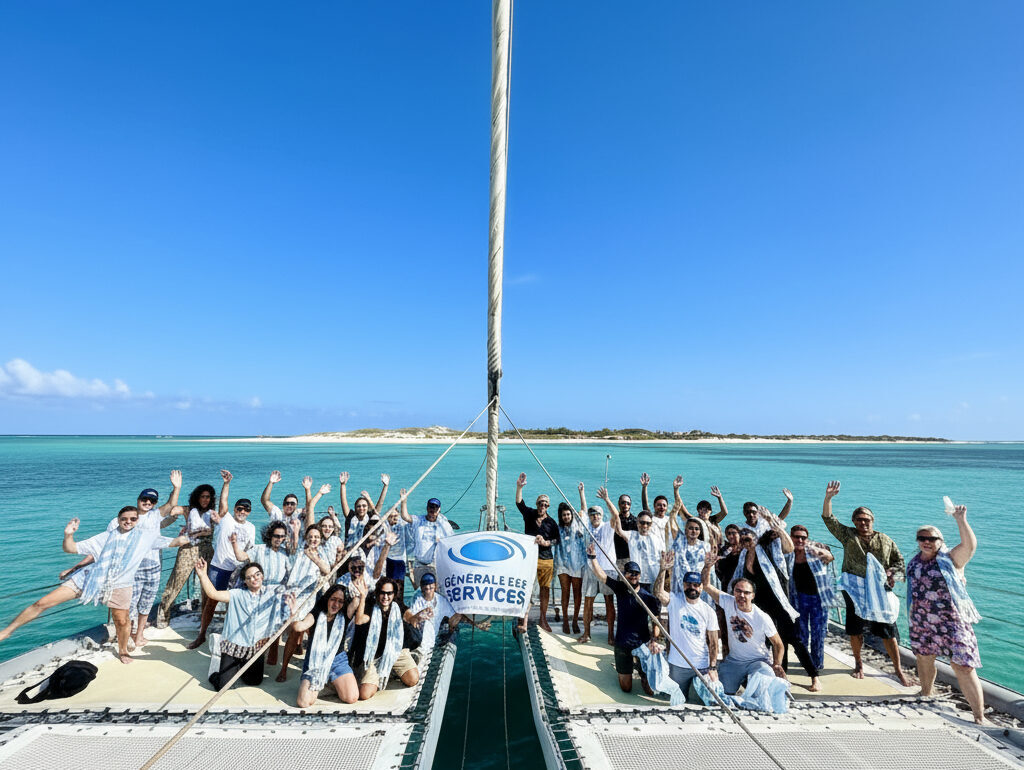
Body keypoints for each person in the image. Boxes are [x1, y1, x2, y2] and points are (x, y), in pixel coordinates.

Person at [0, 508, 189, 662]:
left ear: (137, 520)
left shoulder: (145, 538)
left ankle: (123, 650)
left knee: (122, 622)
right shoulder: (104, 537)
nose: (128, 522)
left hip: (121, 585)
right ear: (118, 519)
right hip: (90, 579)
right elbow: (71, 548)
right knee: (42, 603)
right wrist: (68, 535)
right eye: (124, 519)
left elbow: (175, 542)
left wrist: (191, 531)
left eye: (133, 519)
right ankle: (7, 631)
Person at [822, 480, 910, 685]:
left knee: (888, 629)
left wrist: (892, 573)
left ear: (873, 520)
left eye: (866, 519)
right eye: (859, 519)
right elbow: (828, 519)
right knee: (856, 629)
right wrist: (828, 498)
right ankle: (859, 663)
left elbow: (900, 562)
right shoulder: (848, 536)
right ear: (854, 521)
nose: (863, 523)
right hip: (855, 590)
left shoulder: (886, 540)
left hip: (880, 591)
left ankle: (898, 670)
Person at [908, 503, 985, 724]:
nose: (926, 541)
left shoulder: (951, 560)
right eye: (922, 537)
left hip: (952, 623)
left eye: (932, 538)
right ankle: (925, 694)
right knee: (924, 658)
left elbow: (969, 547)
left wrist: (960, 520)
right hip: (922, 621)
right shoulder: (914, 563)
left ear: (940, 541)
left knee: (963, 666)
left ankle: (979, 717)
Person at [730, 508, 821, 691]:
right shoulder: (742, 557)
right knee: (767, 643)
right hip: (760, 606)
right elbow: (740, 577)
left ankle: (814, 677)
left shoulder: (769, 547)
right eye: (744, 537)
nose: (747, 539)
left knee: (794, 640)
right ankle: (777, 678)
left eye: (750, 536)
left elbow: (788, 548)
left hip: (779, 601)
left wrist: (775, 523)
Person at [700, 545, 787, 695]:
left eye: (746, 593)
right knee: (720, 692)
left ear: (753, 596)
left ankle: (751, 681)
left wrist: (777, 664)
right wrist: (708, 566)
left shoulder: (762, 617)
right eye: (738, 591)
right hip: (734, 661)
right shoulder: (728, 602)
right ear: (733, 592)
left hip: (758, 661)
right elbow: (706, 586)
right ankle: (741, 680)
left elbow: (778, 644)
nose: (741, 596)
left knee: (762, 692)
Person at [187, 470, 258, 650]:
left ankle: (231, 634)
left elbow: (251, 551)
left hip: (238, 570)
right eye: (239, 508)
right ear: (235, 509)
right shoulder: (226, 519)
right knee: (211, 602)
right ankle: (201, 635)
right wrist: (226, 484)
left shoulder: (251, 528)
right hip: (219, 567)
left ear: (249, 512)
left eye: (246, 509)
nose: (242, 511)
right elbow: (224, 502)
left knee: (235, 604)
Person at [584, 542, 663, 694]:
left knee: (649, 690)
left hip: (642, 643)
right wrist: (593, 557)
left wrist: (654, 640)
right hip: (622, 643)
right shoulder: (620, 588)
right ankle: (626, 668)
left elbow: (656, 621)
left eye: (636, 574)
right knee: (626, 688)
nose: (633, 576)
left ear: (640, 575)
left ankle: (642, 671)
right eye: (630, 573)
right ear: (624, 574)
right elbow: (601, 575)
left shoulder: (648, 597)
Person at [195, 558, 281, 690]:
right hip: (233, 647)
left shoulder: (272, 593)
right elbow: (213, 594)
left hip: (254, 648)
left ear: (262, 575)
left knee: (254, 681)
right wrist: (202, 575)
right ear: (245, 582)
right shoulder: (237, 594)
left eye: (257, 574)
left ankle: (238, 668)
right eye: (249, 577)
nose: (254, 578)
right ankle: (215, 671)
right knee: (223, 686)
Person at [652, 553, 720, 702]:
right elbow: (658, 592)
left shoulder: (708, 611)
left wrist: (712, 668)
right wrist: (663, 569)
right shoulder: (674, 601)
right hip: (678, 664)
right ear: (683, 585)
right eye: (688, 584)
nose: (692, 588)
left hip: (701, 666)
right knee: (674, 700)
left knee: (703, 702)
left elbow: (714, 643)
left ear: (701, 587)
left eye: (696, 585)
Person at [275, 524, 334, 681]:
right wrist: (295, 531)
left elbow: (326, 570)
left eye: (316, 537)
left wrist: (313, 557)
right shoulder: (299, 550)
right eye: (310, 536)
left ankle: (310, 664)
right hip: (296, 597)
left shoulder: (322, 552)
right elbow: (291, 551)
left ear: (320, 539)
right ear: (306, 538)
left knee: (312, 632)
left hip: (314, 598)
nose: (313, 539)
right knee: (293, 632)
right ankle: (284, 668)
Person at [232, 520, 292, 666]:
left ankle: (273, 651)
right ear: (270, 535)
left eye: (282, 536)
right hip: (259, 591)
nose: (279, 539)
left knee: (276, 625)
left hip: (278, 592)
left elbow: (290, 574)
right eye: (276, 536)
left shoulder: (286, 553)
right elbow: (241, 557)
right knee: (255, 625)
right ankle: (253, 654)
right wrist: (234, 543)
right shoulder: (259, 549)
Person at [157, 481, 217, 628]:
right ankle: (162, 617)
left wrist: (226, 483)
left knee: (207, 586)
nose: (205, 500)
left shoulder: (214, 514)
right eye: (202, 496)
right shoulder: (188, 510)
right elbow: (170, 509)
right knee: (176, 582)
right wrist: (175, 489)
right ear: (197, 497)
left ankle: (204, 617)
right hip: (188, 549)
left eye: (208, 497)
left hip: (207, 550)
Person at [289, 583, 360, 706]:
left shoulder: (344, 615)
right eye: (333, 599)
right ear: (327, 598)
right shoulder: (316, 613)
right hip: (315, 662)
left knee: (351, 697)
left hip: (337, 661)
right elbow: (299, 626)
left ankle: (330, 681)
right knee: (303, 703)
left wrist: (361, 594)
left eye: (340, 601)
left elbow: (356, 602)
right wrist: (294, 613)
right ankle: (323, 681)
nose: (336, 604)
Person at [350, 577, 419, 700]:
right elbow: (359, 620)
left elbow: (409, 616)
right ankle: (384, 671)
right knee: (365, 694)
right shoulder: (371, 606)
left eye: (389, 593)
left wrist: (416, 618)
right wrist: (362, 596)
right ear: (377, 593)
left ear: (394, 594)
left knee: (413, 680)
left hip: (395, 651)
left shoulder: (397, 606)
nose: (385, 597)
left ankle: (391, 669)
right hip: (373, 656)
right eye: (382, 593)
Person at [784, 524, 836, 673]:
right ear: (791, 537)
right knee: (801, 634)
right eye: (796, 537)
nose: (800, 540)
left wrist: (820, 551)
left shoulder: (814, 550)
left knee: (818, 633)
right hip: (798, 598)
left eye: (803, 537)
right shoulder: (788, 553)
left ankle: (817, 664)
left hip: (818, 599)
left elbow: (830, 557)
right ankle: (805, 660)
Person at [404, 572, 482, 668]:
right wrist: (417, 616)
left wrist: (476, 623)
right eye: (425, 589)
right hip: (418, 635)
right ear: (421, 587)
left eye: (431, 588)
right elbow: (407, 616)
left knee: (455, 618)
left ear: (435, 587)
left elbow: (456, 617)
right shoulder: (417, 599)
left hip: (432, 637)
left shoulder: (441, 601)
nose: (428, 591)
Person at [514, 473, 560, 632]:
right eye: (541, 503)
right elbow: (519, 503)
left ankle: (542, 619)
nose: (543, 506)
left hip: (547, 560)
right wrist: (519, 487)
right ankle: (524, 620)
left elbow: (556, 540)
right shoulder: (530, 514)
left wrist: (546, 542)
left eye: (546, 504)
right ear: (537, 504)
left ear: (549, 506)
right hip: (530, 560)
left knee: (545, 591)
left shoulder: (552, 522)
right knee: (527, 589)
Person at [601, 487, 662, 591]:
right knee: (623, 590)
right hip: (620, 559)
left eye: (628, 503)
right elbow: (617, 521)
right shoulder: (616, 520)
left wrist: (644, 488)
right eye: (623, 503)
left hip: (635, 559)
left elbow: (647, 513)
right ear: (619, 504)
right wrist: (607, 499)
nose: (625, 505)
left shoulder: (637, 521)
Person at [577, 482, 616, 644]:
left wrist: (606, 500)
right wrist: (582, 493)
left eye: (598, 514)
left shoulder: (608, 527)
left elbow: (616, 516)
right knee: (588, 602)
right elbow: (583, 510)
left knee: (609, 601)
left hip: (606, 570)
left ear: (602, 516)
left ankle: (610, 635)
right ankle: (587, 633)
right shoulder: (586, 527)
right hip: (590, 570)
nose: (594, 516)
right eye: (592, 514)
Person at [399, 489, 454, 588]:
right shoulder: (418, 520)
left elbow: (452, 542)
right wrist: (404, 501)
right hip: (419, 564)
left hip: (436, 566)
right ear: (427, 508)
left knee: (436, 592)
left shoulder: (445, 525)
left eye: (435, 507)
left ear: (439, 509)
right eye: (431, 507)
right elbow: (405, 516)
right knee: (420, 591)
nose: (433, 510)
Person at [553, 502, 586, 635]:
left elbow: (583, 510)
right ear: (561, 517)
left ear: (571, 515)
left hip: (577, 563)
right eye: (564, 515)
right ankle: (566, 619)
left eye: (568, 514)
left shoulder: (578, 524)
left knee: (577, 592)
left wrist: (581, 493)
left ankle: (575, 621)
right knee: (565, 591)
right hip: (562, 563)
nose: (566, 517)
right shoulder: (557, 528)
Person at [667, 508, 711, 594]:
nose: (694, 531)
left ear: (700, 531)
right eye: (691, 528)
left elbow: (708, 568)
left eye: (696, 529)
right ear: (686, 529)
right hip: (681, 583)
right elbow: (672, 525)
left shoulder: (705, 546)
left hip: (698, 584)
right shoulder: (678, 544)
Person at [338, 471, 390, 544]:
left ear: (368, 507)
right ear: (355, 508)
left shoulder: (369, 517)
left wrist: (385, 486)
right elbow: (343, 501)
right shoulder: (351, 517)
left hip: (365, 552)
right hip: (350, 551)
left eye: (364, 506)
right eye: (358, 506)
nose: (361, 508)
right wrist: (342, 485)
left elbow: (379, 506)